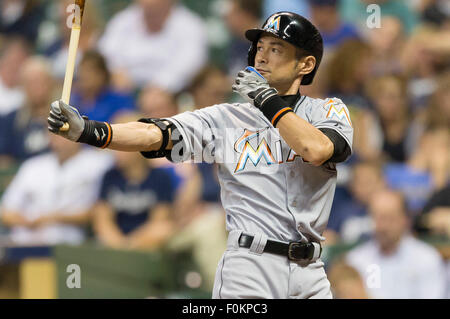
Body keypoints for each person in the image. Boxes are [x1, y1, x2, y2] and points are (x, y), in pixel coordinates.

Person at [48, 12, 354, 299]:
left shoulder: (327, 111)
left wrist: (266, 99)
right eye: (260, 46)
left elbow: (316, 150)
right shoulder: (226, 119)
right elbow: (157, 133)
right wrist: (90, 131)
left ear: (306, 64)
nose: (261, 55)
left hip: (310, 271)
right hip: (250, 266)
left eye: (276, 48)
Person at [0, 134, 113, 246]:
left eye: (65, 135)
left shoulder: (99, 163)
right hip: (24, 242)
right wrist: (27, 221)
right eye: (54, 135)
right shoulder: (32, 166)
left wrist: (53, 218)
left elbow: (98, 211)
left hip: (71, 242)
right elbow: (6, 211)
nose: (59, 140)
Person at [92, 113, 177, 251]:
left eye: (120, 144)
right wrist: (119, 244)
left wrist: (131, 244)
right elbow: (102, 220)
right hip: (115, 242)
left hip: (145, 242)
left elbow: (160, 221)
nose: (115, 151)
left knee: (164, 229)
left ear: (139, 145)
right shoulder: (110, 176)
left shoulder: (160, 177)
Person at [346, 189, 447, 299]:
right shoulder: (356, 260)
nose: (383, 226)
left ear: (405, 219)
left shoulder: (426, 259)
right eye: (377, 218)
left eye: (389, 218)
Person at [98, 0, 208, 93]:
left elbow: (190, 65)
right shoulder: (123, 20)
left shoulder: (190, 26)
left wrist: (159, 86)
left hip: (171, 94)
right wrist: (116, 71)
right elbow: (104, 53)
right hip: (123, 90)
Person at [70, 50, 136, 123]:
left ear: (102, 74)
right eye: (82, 70)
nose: (84, 75)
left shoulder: (119, 99)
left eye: (89, 71)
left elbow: (130, 122)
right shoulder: (74, 100)